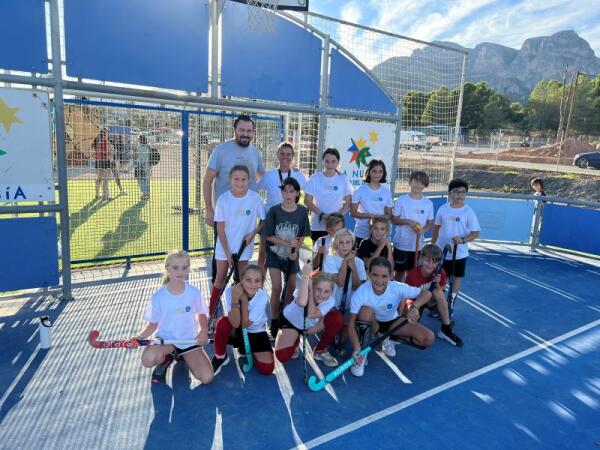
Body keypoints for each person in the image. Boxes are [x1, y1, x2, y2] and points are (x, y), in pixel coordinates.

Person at [131, 250, 213, 384]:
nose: (180, 271)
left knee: (207, 378)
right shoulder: (159, 296)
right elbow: (152, 325)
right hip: (166, 341)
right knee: (148, 359)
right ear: (167, 269)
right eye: (175, 268)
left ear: (188, 269)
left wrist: (203, 331)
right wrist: (138, 338)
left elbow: (202, 314)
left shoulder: (193, 292)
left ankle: (183, 355)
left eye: (184, 267)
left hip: (189, 341)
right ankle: (167, 357)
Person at [202, 115, 265, 282]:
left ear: (253, 132)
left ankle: (237, 300)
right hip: (224, 215)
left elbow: (262, 177)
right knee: (221, 260)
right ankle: (216, 302)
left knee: (241, 265)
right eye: (242, 130)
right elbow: (207, 180)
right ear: (235, 130)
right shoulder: (221, 150)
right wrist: (209, 209)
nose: (245, 134)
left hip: (246, 218)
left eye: (249, 131)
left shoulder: (255, 152)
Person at [348, 257, 434, 377]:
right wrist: (356, 348)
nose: (379, 280)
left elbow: (427, 293)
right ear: (368, 274)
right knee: (366, 311)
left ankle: (389, 338)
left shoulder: (397, 287)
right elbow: (351, 324)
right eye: (374, 275)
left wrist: (414, 307)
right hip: (372, 323)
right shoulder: (361, 293)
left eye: (384, 276)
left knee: (428, 338)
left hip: (392, 323)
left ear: (391, 275)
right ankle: (362, 353)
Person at [207, 165, 265, 320]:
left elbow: (262, 221)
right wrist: (227, 254)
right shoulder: (223, 199)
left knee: (242, 279)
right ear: (230, 179)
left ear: (249, 180)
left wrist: (252, 234)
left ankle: (240, 314)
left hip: (244, 247)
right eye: (236, 179)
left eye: (243, 179)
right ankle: (211, 313)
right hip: (224, 247)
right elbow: (220, 227)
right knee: (220, 278)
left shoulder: (254, 198)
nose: (240, 182)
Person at [261, 177, 310, 337]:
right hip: (275, 254)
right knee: (276, 287)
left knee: (291, 287)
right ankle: (274, 320)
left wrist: (296, 249)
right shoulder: (274, 211)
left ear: (297, 193)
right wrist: (286, 243)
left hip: (291, 255)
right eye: (285, 190)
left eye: (292, 191)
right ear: (281, 192)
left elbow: (302, 234)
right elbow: (268, 236)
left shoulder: (302, 211)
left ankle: (285, 315)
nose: (288, 194)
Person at [275, 262, 344, 367]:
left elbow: (312, 315)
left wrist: (307, 331)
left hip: (308, 325)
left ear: (331, 293)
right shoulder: (305, 290)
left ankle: (319, 350)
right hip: (290, 322)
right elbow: (303, 303)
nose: (322, 294)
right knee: (282, 356)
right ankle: (295, 338)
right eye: (318, 289)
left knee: (337, 318)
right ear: (313, 286)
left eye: (326, 291)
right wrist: (306, 278)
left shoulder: (330, 300)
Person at [211, 265, 275, 376]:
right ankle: (220, 356)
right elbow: (235, 323)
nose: (253, 284)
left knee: (267, 369)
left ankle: (249, 349)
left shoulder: (262, 296)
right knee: (223, 323)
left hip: (256, 332)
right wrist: (235, 298)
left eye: (257, 281)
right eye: (248, 280)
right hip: (237, 331)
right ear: (241, 280)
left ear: (262, 283)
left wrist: (244, 301)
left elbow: (245, 324)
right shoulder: (230, 291)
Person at [431, 179, 481, 312]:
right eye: (456, 192)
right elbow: (436, 228)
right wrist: (433, 246)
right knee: (439, 280)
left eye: (463, 192)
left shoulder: (468, 212)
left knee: (456, 280)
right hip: (441, 252)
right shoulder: (443, 209)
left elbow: (476, 233)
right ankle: (438, 306)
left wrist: (463, 240)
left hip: (459, 254)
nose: (459, 195)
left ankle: (449, 306)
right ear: (450, 193)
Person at [256, 142, 307, 268]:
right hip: (270, 219)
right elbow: (253, 191)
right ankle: (258, 285)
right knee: (263, 254)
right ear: (277, 155)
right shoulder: (269, 175)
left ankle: (288, 284)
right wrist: (262, 208)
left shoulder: (299, 176)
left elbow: (309, 194)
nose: (285, 157)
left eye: (288, 154)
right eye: (282, 153)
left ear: (292, 156)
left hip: (291, 221)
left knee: (291, 253)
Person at [405, 244, 463, 346]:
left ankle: (446, 328)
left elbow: (441, 293)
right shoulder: (412, 275)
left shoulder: (441, 273)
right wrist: (410, 308)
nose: (430, 265)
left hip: (432, 302)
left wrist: (437, 284)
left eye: (435, 262)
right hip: (417, 302)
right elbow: (407, 297)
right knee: (411, 327)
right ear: (421, 258)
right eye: (427, 260)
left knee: (437, 291)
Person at [392, 171, 434, 282]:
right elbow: (394, 220)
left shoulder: (428, 203)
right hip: (401, 244)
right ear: (410, 182)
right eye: (416, 181)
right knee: (399, 273)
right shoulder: (401, 200)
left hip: (417, 246)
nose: (418, 185)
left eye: (422, 183)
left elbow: (430, 223)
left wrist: (422, 230)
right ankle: (398, 296)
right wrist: (408, 222)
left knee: (413, 273)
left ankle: (409, 297)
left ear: (425, 185)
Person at [304, 148, 353, 243]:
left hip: (337, 227)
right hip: (318, 225)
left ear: (338, 162)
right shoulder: (315, 178)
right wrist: (322, 215)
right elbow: (307, 200)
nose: (330, 164)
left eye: (333, 161)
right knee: (318, 255)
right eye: (327, 161)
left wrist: (335, 217)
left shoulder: (343, 179)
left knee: (337, 254)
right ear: (323, 161)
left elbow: (348, 202)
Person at [323, 228, 367, 319]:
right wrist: (345, 261)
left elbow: (358, 288)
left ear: (353, 243)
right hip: (332, 304)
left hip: (350, 305)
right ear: (336, 244)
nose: (344, 246)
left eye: (348, 242)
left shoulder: (359, 262)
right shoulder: (330, 259)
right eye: (341, 242)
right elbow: (340, 282)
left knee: (346, 331)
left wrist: (354, 268)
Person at [350, 159, 392, 248]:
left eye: (380, 171)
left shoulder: (386, 192)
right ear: (369, 172)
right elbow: (353, 213)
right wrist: (369, 215)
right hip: (361, 233)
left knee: (377, 261)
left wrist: (377, 218)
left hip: (379, 236)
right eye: (374, 171)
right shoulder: (359, 190)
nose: (377, 174)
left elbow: (389, 215)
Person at [91, 128, 116, 201]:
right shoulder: (106, 142)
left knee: (99, 178)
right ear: (105, 134)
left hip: (98, 162)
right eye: (107, 133)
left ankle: (97, 194)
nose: (108, 135)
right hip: (104, 161)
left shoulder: (97, 141)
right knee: (105, 179)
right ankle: (105, 196)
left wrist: (95, 157)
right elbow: (112, 151)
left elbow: (92, 151)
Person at [134, 134, 152, 200]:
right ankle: (147, 194)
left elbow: (136, 154)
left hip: (141, 165)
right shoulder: (148, 146)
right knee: (146, 180)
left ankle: (145, 194)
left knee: (140, 180)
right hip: (148, 165)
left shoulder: (140, 146)